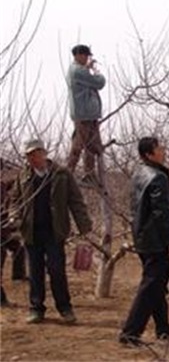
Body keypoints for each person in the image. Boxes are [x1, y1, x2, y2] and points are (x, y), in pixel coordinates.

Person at [9, 139, 93, 323]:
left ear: (43, 153)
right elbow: (15, 199)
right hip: (31, 231)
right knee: (35, 272)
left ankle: (65, 308)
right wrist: (14, 216)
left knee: (56, 270)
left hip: (55, 231)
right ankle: (36, 309)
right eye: (28, 155)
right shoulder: (23, 176)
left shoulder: (61, 174)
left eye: (34, 154)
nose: (32, 158)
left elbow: (75, 201)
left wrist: (84, 226)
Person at [119, 137, 169, 346]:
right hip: (156, 240)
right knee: (151, 285)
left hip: (143, 237)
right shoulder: (158, 177)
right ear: (149, 154)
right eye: (159, 148)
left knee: (157, 284)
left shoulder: (139, 173)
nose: (163, 151)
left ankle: (163, 328)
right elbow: (161, 212)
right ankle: (130, 333)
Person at [66, 44, 106, 186]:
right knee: (79, 145)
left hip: (88, 114)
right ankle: (68, 174)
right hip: (83, 115)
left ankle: (89, 174)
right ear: (78, 55)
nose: (87, 58)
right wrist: (95, 71)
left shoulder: (79, 71)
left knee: (92, 146)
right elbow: (99, 82)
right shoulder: (77, 71)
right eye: (85, 55)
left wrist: (88, 69)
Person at [1, 178, 28, 306]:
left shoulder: (2, 186)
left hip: (4, 231)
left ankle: (18, 274)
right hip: (2, 231)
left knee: (18, 247)